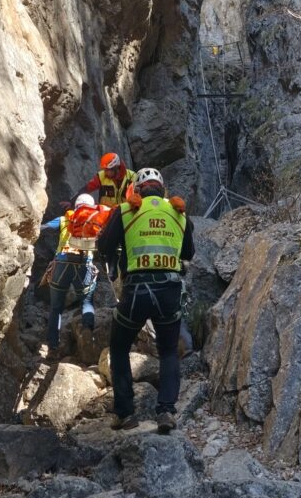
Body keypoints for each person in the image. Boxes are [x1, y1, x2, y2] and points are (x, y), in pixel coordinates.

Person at [97, 167, 194, 432]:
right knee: (168, 350)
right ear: (163, 189)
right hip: (168, 291)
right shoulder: (179, 213)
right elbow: (188, 252)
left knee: (119, 347)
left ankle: (126, 414)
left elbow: (104, 246)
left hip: (136, 291)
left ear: (138, 189)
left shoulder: (125, 210)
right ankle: (166, 412)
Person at [40, 193, 109, 361]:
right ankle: (87, 330)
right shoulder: (95, 220)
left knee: (56, 308)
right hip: (84, 262)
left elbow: (44, 227)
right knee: (86, 302)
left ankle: (53, 348)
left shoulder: (65, 219)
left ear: (75, 206)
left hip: (62, 261)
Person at [73, 152, 137, 209]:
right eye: (104, 169)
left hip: (125, 212)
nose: (105, 172)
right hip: (106, 214)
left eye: (107, 170)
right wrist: (71, 201)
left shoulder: (132, 177)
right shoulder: (101, 176)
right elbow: (86, 189)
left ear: (115, 168)